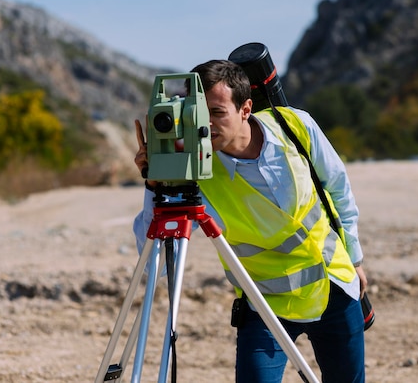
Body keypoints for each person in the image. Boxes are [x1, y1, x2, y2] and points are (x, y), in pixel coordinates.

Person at [133, 59, 367, 383]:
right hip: (263, 303)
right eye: (197, 113)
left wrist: (354, 258)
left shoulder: (295, 126)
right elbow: (154, 263)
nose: (205, 125)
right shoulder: (193, 172)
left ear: (245, 109)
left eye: (216, 112)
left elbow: (338, 189)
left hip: (334, 287)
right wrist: (154, 184)